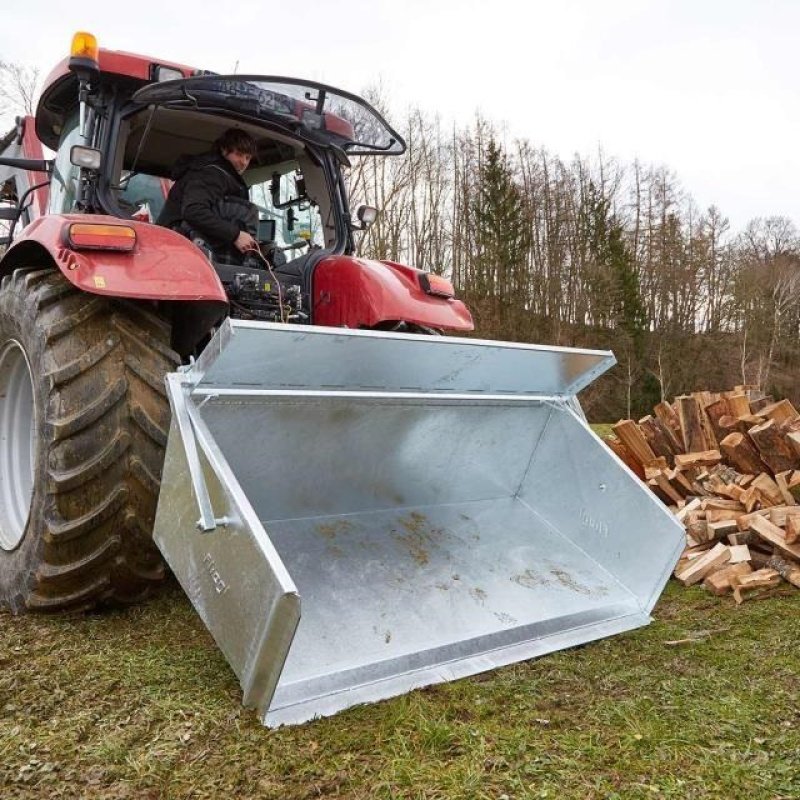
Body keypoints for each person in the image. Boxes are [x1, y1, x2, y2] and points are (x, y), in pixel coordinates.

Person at [157, 128, 259, 261]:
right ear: (224, 150)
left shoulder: (222, 175)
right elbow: (194, 210)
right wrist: (236, 235)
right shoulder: (211, 174)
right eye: (239, 154)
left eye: (248, 157)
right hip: (175, 248)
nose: (244, 162)